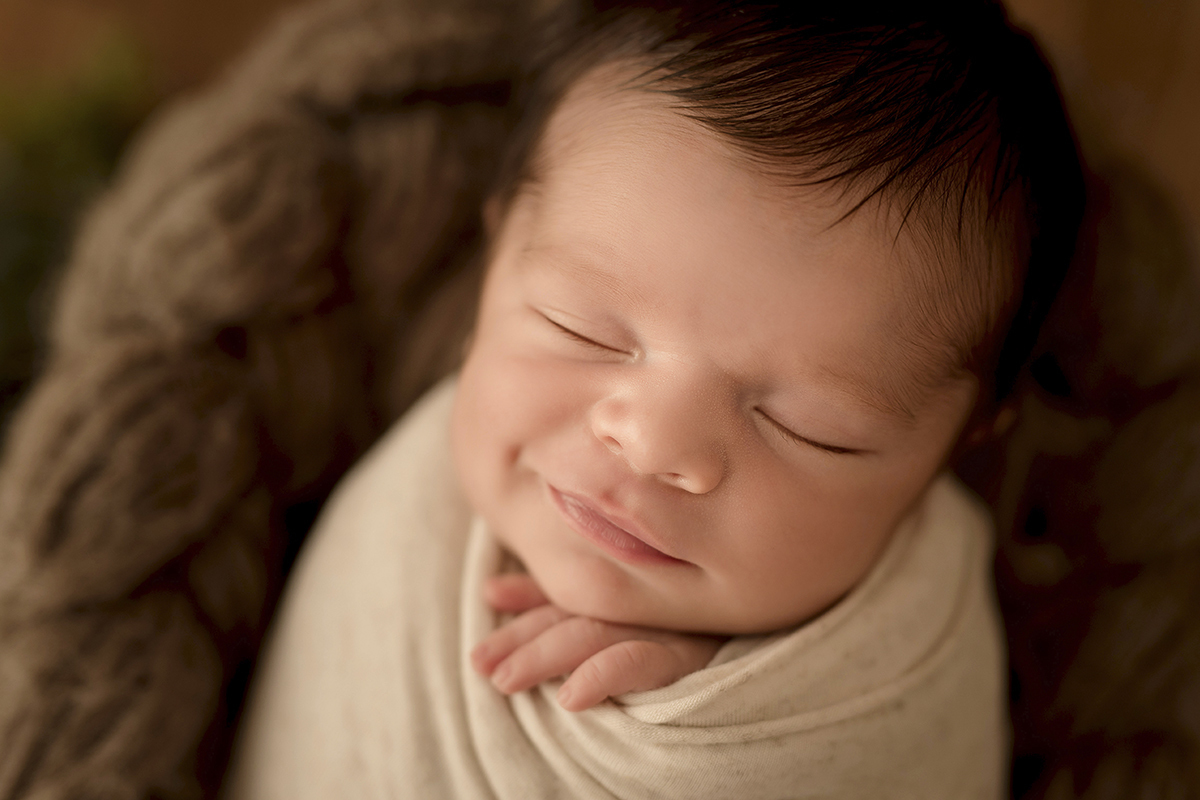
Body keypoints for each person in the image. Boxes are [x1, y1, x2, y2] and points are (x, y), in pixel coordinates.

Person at [224, 1, 1084, 797]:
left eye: (805, 427)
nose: (654, 443)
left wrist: (729, 685)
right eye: (582, 329)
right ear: (495, 257)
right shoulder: (350, 450)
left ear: (965, 440)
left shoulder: (909, 662)